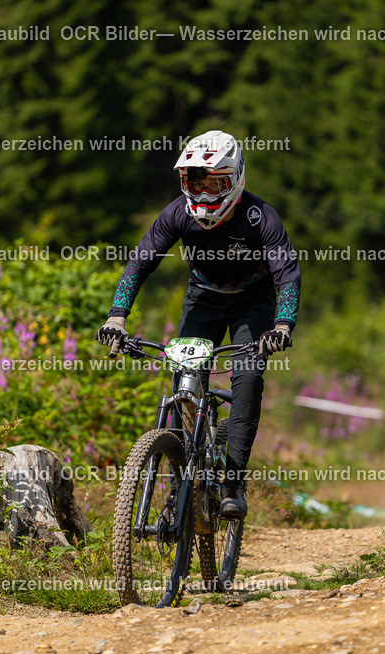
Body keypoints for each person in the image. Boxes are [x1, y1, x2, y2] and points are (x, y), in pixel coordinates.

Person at [95, 130, 301, 519]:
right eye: (195, 183)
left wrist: (282, 325)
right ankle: (179, 487)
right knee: (185, 379)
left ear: (236, 178)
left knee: (248, 377)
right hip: (203, 299)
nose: (204, 196)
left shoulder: (259, 217)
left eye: (214, 185)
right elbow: (140, 262)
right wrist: (117, 316)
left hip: (252, 304)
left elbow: (287, 273)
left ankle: (232, 484)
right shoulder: (177, 213)